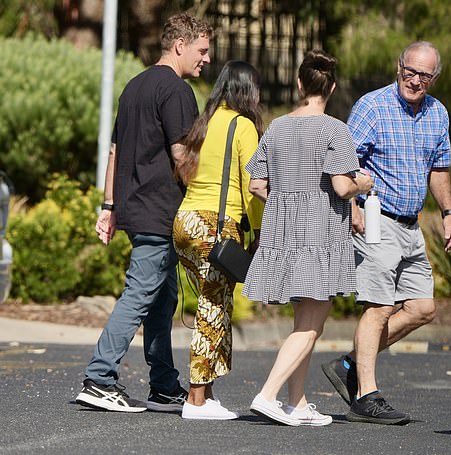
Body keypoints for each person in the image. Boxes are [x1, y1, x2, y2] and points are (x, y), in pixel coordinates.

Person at [75, 13, 212, 413]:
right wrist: (205, 196)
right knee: (141, 292)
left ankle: (164, 385)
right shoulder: (176, 90)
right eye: (201, 51)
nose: (205, 60)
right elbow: (182, 156)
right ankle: (100, 377)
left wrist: (108, 206)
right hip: (160, 210)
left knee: (162, 296)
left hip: (137, 209)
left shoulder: (134, 86)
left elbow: (115, 152)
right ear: (180, 45)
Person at [321, 41, 451, 425]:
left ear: (434, 78)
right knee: (378, 307)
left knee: (422, 308)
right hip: (376, 218)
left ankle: (351, 364)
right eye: (408, 70)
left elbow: (440, 168)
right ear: (397, 65)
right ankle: (366, 395)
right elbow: (342, 160)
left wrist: (449, 212)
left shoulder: (437, 113)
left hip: (412, 226)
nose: (413, 80)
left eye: (423, 75)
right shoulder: (373, 105)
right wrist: (350, 206)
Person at [242, 49, 373, 426]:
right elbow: (341, 185)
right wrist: (361, 182)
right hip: (320, 233)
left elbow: (256, 185)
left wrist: (287, 201)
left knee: (304, 321)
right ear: (331, 87)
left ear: (300, 84)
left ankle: (296, 403)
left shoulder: (277, 127)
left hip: (285, 233)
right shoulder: (336, 130)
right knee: (313, 323)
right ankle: (268, 395)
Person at [172, 60, 264, 420]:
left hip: (185, 222)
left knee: (216, 302)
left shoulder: (204, 122)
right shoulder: (243, 126)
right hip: (215, 225)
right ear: (248, 91)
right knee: (213, 309)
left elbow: (183, 166)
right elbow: (251, 186)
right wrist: (256, 232)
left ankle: (207, 395)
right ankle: (195, 400)